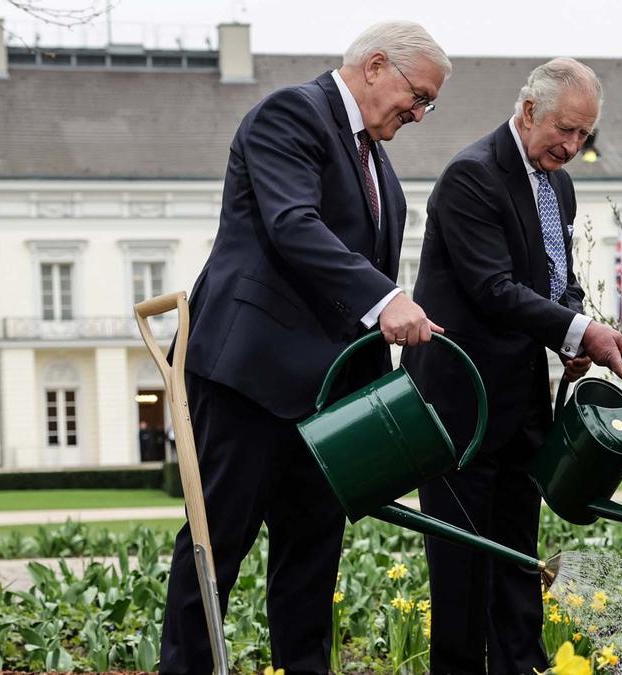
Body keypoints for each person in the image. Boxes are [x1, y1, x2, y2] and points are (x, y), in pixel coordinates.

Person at [158, 22, 450, 674]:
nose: (421, 113)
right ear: (376, 66)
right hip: (247, 379)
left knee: (312, 562)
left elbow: (355, 292)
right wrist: (386, 299)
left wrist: (380, 397)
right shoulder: (291, 115)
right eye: (419, 95)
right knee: (215, 546)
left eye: (430, 103)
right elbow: (294, 225)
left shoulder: (381, 166)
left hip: (327, 404)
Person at [402, 57, 622, 674]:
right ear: (528, 111)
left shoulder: (560, 183)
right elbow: (493, 289)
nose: (573, 145)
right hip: (460, 411)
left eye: (585, 135)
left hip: (521, 408)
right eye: (565, 129)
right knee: (461, 574)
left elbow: (560, 280)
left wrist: (574, 331)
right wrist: (579, 329)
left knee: (516, 566)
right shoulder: (470, 178)